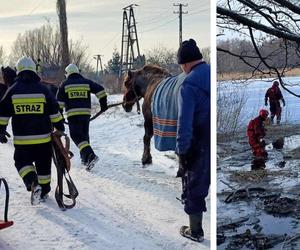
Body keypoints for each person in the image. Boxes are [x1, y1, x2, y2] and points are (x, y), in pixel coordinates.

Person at [0, 56, 65, 205]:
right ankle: (44, 191)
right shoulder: (43, 89)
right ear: (34, 71)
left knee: (21, 162)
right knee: (44, 166)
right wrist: (60, 127)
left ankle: (32, 182)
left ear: (19, 71)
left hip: (23, 141)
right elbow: (54, 111)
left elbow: (2, 113)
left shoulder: (13, 90)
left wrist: (1, 131)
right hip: (43, 140)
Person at [176, 39, 210, 242]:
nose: (182, 69)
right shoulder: (210, 73)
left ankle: (195, 231)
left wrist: (183, 151)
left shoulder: (188, 83)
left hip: (199, 143)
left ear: (186, 63)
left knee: (194, 185)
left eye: (181, 65)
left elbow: (184, 123)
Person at [56, 64, 107, 170]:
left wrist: (60, 117)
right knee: (84, 136)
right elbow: (101, 90)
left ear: (67, 73)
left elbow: (59, 104)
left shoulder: (64, 84)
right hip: (86, 114)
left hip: (73, 115)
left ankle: (91, 155)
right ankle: (86, 159)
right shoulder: (86, 82)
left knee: (76, 136)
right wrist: (103, 105)